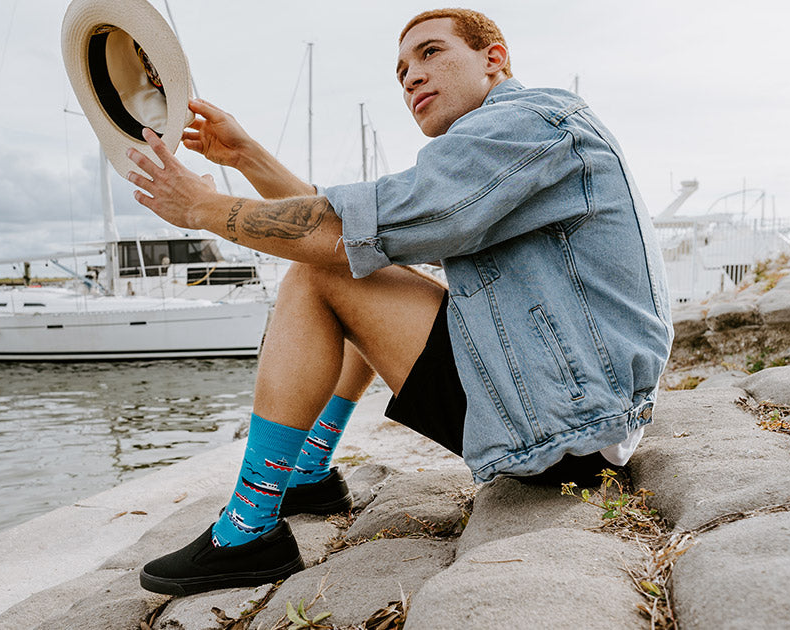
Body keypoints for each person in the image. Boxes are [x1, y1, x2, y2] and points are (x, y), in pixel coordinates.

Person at [126, 8, 673, 597]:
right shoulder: (511, 132)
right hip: (578, 407)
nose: (411, 76)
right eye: (401, 70)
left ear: (495, 59)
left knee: (317, 279)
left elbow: (343, 231)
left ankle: (247, 530)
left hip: (568, 426)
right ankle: (307, 475)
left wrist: (202, 211)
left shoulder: (526, 123)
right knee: (359, 263)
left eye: (431, 53)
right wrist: (246, 156)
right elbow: (358, 232)